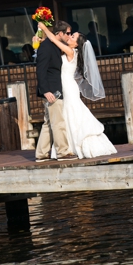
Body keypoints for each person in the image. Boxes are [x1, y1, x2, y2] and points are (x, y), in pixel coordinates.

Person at [39, 23, 117, 159]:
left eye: (72, 36)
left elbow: (53, 39)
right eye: (69, 34)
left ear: (76, 44)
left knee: (69, 114)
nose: (69, 37)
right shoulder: (65, 51)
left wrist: (44, 28)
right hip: (65, 86)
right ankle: (65, 147)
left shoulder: (71, 52)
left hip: (68, 87)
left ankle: (68, 148)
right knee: (65, 115)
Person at [34, 21, 77, 163]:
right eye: (68, 33)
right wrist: (45, 90)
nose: (69, 36)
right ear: (60, 33)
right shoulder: (46, 47)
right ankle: (63, 152)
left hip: (54, 89)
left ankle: (41, 153)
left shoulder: (53, 45)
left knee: (48, 122)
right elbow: (41, 70)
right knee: (58, 122)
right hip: (52, 91)